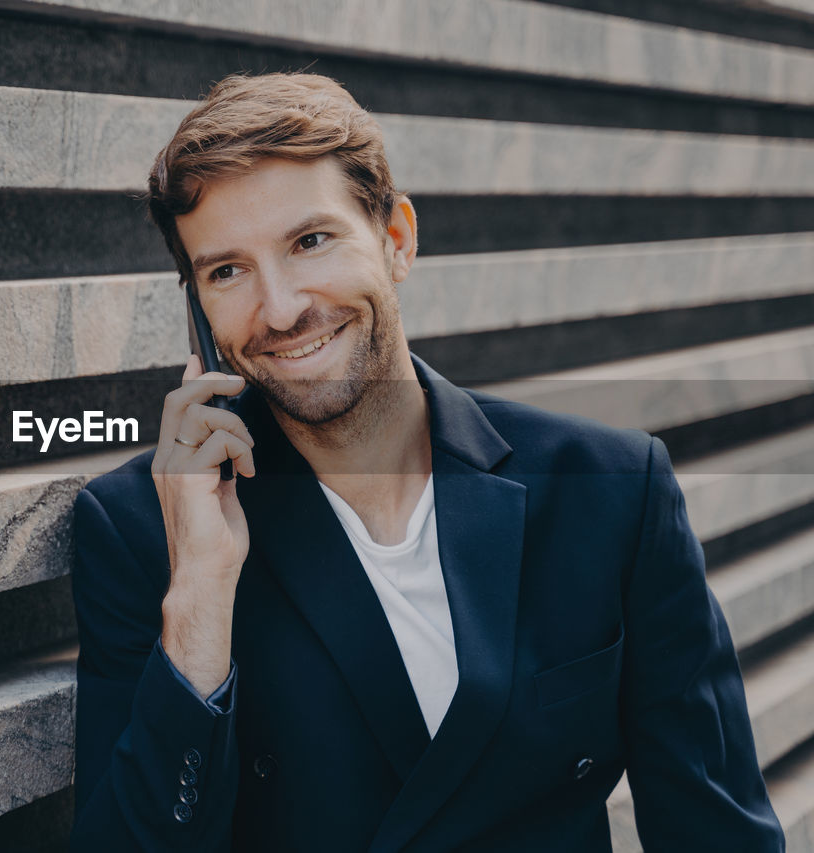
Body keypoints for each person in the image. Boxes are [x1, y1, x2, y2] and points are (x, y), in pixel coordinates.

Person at [69, 72, 783, 851]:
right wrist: (202, 597)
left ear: (397, 240)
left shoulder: (608, 490)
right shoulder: (146, 529)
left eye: (311, 241)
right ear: (197, 310)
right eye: (226, 271)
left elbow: (719, 832)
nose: (278, 310)